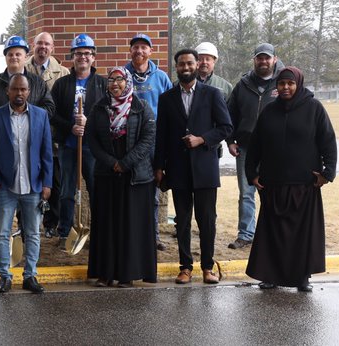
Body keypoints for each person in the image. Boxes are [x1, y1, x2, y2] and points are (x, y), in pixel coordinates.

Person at [244, 66, 336, 292]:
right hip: (273, 183)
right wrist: (252, 173)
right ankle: (270, 275)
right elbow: (255, 145)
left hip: (304, 184)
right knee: (273, 234)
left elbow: (328, 141)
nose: (285, 87)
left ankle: (301, 277)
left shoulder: (314, 108)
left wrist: (327, 173)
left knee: (301, 235)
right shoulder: (269, 111)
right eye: (282, 83)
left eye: (290, 83)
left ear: (298, 84)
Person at [153, 49, 233, 285]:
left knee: (207, 219)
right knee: (183, 220)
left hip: (205, 168)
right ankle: (185, 267)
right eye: (181, 64)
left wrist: (202, 139)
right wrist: (159, 166)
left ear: (198, 65)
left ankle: (207, 267)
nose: (185, 67)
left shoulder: (212, 94)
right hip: (178, 169)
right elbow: (162, 136)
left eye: (189, 63)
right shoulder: (166, 98)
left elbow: (226, 127)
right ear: (176, 67)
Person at [85, 67, 158, 287]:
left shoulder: (141, 107)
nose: (115, 83)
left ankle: (127, 274)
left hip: (135, 176)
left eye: (119, 79)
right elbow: (92, 140)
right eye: (111, 80)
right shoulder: (99, 108)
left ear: (127, 82)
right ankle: (105, 273)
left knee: (131, 226)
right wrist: (112, 163)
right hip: (107, 174)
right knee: (107, 225)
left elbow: (147, 139)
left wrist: (125, 163)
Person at [0, 75, 53, 294]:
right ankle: (4, 276)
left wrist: (47, 183)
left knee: (32, 233)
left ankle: (30, 276)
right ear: (8, 91)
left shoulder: (41, 116)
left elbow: (47, 153)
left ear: (29, 91)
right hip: (5, 185)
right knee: (2, 233)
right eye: (15, 89)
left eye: (23, 89)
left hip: (33, 185)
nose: (19, 93)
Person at [49, 34, 107, 247]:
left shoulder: (102, 84)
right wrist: (70, 126)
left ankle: (98, 230)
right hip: (68, 146)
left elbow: (108, 114)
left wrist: (88, 122)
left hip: (92, 148)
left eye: (86, 53)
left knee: (95, 189)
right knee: (66, 190)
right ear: (72, 56)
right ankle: (65, 231)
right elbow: (52, 113)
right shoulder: (62, 84)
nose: (82, 57)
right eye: (78, 53)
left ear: (93, 57)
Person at [225, 43, 282, 250]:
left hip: (274, 150)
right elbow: (229, 115)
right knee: (246, 193)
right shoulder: (243, 84)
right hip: (246, 148)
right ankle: (246, 234)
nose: (263, 61)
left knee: (272, 192)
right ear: (254, 60)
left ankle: (272, 233)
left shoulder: (282, 83)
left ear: (274, 59)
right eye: (260, 58)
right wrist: (230, 141)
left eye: (267, 58)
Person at [125, 33, 173, 251]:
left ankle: (152, 236)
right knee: (130, 191)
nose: (139, 51)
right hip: (128, 142)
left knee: (153, 193)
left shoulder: (161, 77)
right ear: (131, 51)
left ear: (150, 52)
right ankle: (131, 235)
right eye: (135, 47)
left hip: (154, 143)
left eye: (144, 47)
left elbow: (171, 108)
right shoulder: (123, 75)